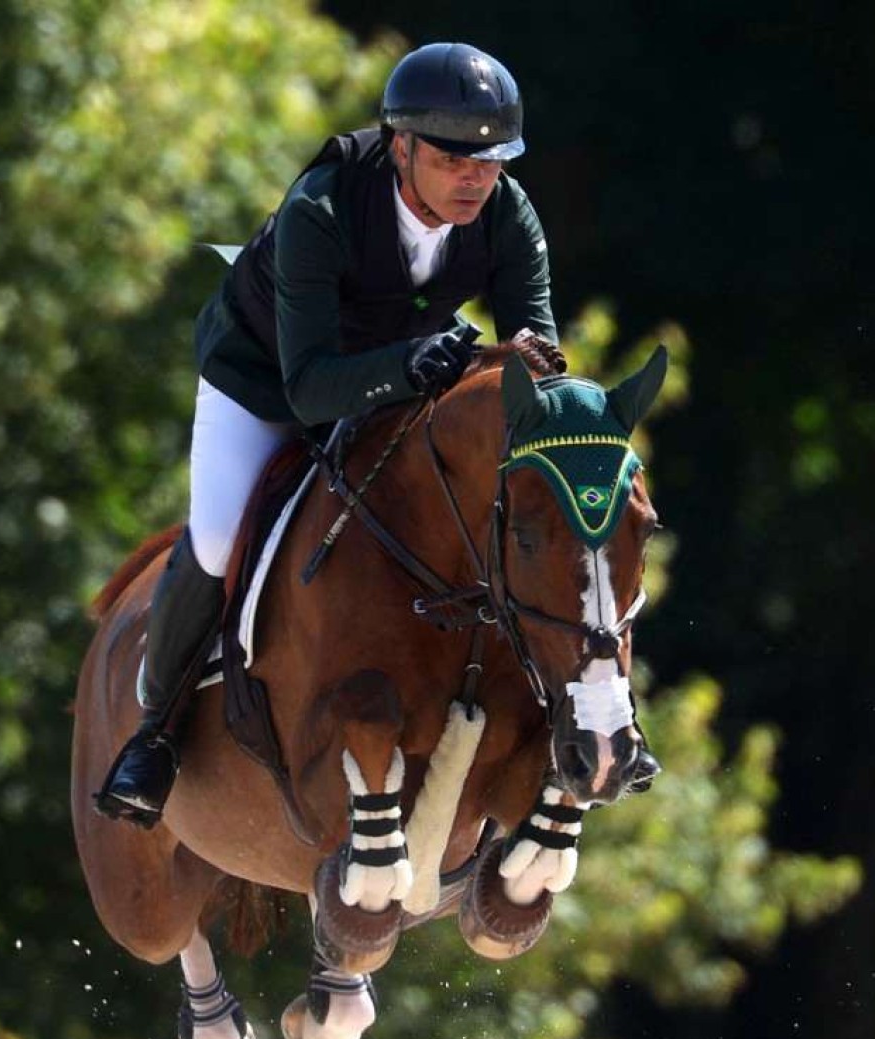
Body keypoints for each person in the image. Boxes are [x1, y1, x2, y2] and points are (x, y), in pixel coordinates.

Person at [96, 42, 560, 827]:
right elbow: (310, 388)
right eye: (454, 159)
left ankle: (568, 710)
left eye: (492, 160)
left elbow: (539, 362)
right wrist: (418, 361)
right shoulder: (323, 209)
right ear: (401, 145)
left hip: (401, 379)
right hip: (267, 382)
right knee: (215, 540)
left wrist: (522, 368)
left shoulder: (506, 214)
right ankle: (157, 733)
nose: (476, 178)